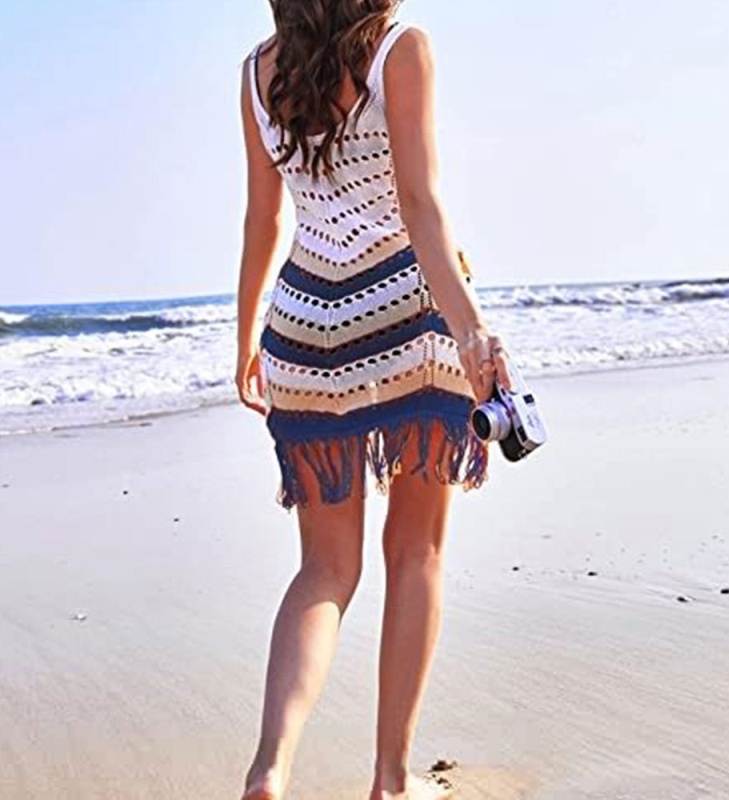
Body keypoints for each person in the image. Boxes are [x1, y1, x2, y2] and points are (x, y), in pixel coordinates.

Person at [234, 2, 511, 798]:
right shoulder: (400, 49)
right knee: (415, 552)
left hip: (301, 328)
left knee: (324, 569)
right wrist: (473, 333)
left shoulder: (256, 72)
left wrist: (246, 336)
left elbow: (264, 218)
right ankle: (391, 781)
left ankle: (271, 765)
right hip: (407, 315)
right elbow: (420, 205)